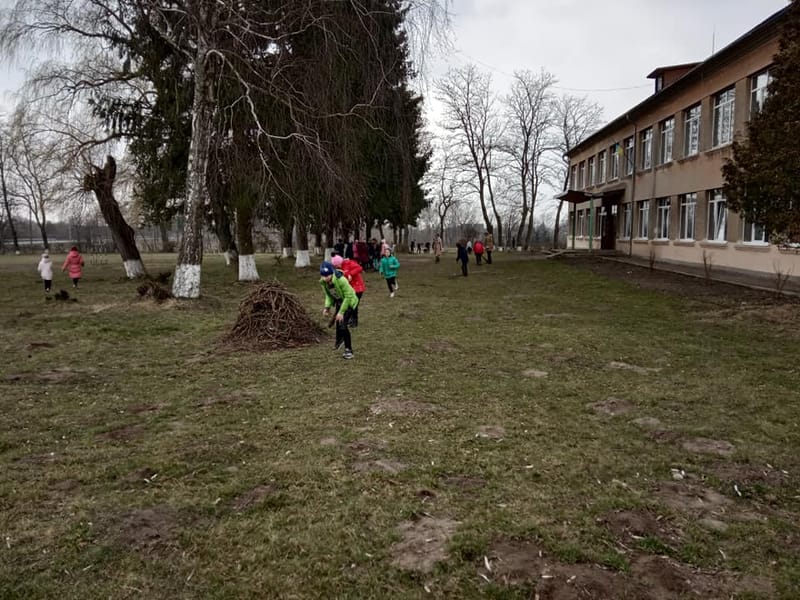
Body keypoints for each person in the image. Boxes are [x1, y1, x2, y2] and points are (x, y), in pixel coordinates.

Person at [319, 261, 358, 360]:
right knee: (338, 323)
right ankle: (340, 340)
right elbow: (328, 295)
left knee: (342, 324)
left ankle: (349, 350)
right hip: (340, 301)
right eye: (323, 275)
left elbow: (348, 296)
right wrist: (327, 307)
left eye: (327, 275)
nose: (325, 278)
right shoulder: (324, 282)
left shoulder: (341, 280)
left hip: (350, 301)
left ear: (332, 272)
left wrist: (341, 312)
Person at [332, 254, 365, 327]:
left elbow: (359, 268)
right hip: (350, 288)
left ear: (340, 262)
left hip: (358, 287)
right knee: (350, 304)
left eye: (337, 265)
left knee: (353, 304)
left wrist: (350, 274)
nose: (336, 267)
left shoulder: (349, 263)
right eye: (335, 266)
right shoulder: (339, 269)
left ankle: (354, 321)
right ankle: (351, 320)